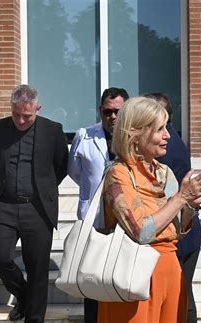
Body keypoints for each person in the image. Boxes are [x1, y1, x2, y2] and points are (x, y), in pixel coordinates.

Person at [97, 97, 201, 323]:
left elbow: (176, 231)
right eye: (160, 129)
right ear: (134, 133)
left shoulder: (165, 172)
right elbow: (141, 232)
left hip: (169, 270)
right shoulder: (118, 174)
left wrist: (190, 206)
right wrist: (180, 199)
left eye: (166, 127)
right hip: (133, 274)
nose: (168, 135)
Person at [0, 84, 69, 322]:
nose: (21, 121)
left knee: (38, 269)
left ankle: (34, 317)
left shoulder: (53, 130)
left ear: (37, 109)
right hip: (5, 204)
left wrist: (43, 188)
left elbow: (60, 166)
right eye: (16, 115)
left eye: (27, 116)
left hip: (37, 207)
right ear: (10, 108)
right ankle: (23, 295)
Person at [68, 87, 129, 322]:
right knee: (91, 277)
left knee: (118, 276)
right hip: (93, 220)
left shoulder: (135, 137)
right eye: (107, 112)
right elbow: (75, 171)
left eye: (117, 112)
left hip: (125, 219)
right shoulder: (84, 136)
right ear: (100, 111)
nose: (112, 117)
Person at [145, 92, 201, 323]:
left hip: (177, 232)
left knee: (180, 299)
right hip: (180, 230)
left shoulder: (166, 148)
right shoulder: (172, 140)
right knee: (182, 296)